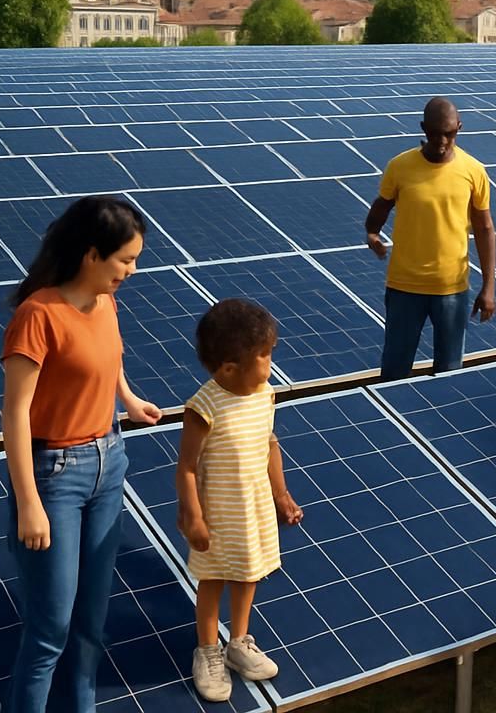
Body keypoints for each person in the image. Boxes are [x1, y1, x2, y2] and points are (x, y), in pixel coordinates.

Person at [0, 195, 164, 713]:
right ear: (93, 255)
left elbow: (106, 357)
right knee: (51, 627)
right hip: (56, 478)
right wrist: (29, 502)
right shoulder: (38, 315)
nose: (132, 271)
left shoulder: (105, 301)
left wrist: (129, 399)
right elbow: (15, 415)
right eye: (126, 260)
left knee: (92, 621)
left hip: (110, 463)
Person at [176, 298, 304, 702]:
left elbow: (270, 444)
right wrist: (192, 515)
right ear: (229, 367)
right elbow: (187, 468)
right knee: (213, 580)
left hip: (255, 511)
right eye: (264, 355)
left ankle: (239, 642)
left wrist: (281, 495)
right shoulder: (204, 407)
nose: (270, 362)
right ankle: (209, 649)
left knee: (249, 574)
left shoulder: (264, 394)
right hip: (218, 515)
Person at [365, 97, 496, 380]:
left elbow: (485, 229)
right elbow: (381, 205)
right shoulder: (399, 167)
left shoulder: (474, 171)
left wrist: (488, 287)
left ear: (459, 129)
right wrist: (372, 233)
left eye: (449, 133)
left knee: (449, 374)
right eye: (435, 132)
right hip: (404, 288)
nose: (441, 140)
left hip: (451, 289)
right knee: (394, 372)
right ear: (423, 129)